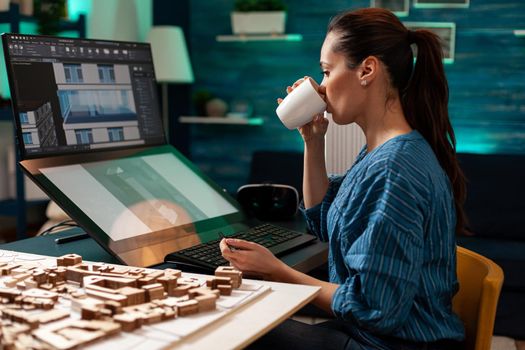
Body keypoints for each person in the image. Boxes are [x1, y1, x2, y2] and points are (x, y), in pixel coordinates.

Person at [220, 7, 466, 350]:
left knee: (235, 328)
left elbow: (375, 307)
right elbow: (325, 222)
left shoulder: (394, 169)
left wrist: (277, 271)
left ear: (366, 70)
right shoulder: (380, 153)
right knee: (243, 317)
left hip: (390, 343)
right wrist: (313, 140)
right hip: (373, 336)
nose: (320, 88)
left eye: (326, 71)